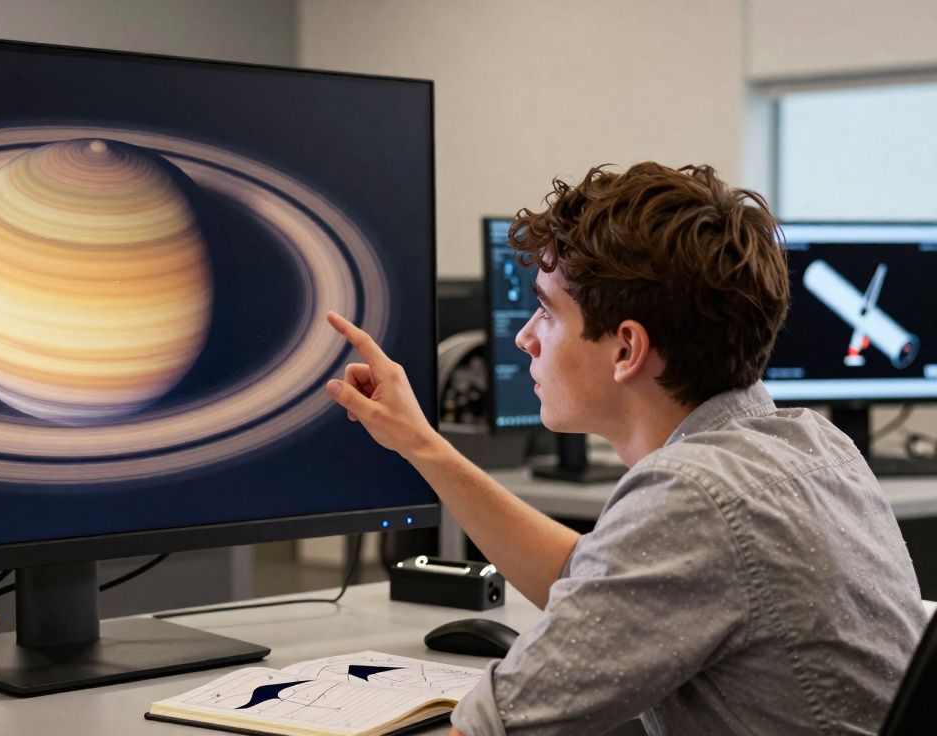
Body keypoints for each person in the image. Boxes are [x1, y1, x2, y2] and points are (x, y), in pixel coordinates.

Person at [323, 162, 927, 735]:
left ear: (627, 349)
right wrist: (422, 444)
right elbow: (591, 578)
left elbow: (490, 727)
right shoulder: (814, 443)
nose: (526, 338)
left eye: (545, 311)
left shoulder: (693, 496)